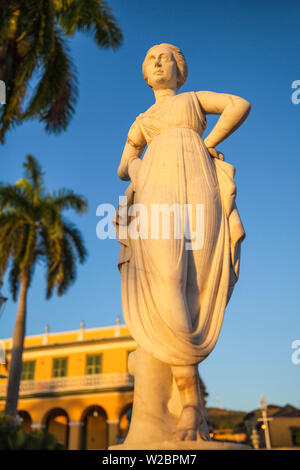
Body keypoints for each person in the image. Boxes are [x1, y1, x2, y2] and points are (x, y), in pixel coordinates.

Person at [115, 43, 251, 441]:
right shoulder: (142, 120)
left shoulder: (192, 100)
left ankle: (190, 403)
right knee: (167, 275)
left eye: (166, 58)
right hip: (156, 182)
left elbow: (238, 104)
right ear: (145, 73)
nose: (159, 63)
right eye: (152, 59)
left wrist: (209, 143)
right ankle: (189, 397)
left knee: (197, 279)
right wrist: (139, 167)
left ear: (180, 69)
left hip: (197, 177)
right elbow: (123, 166)